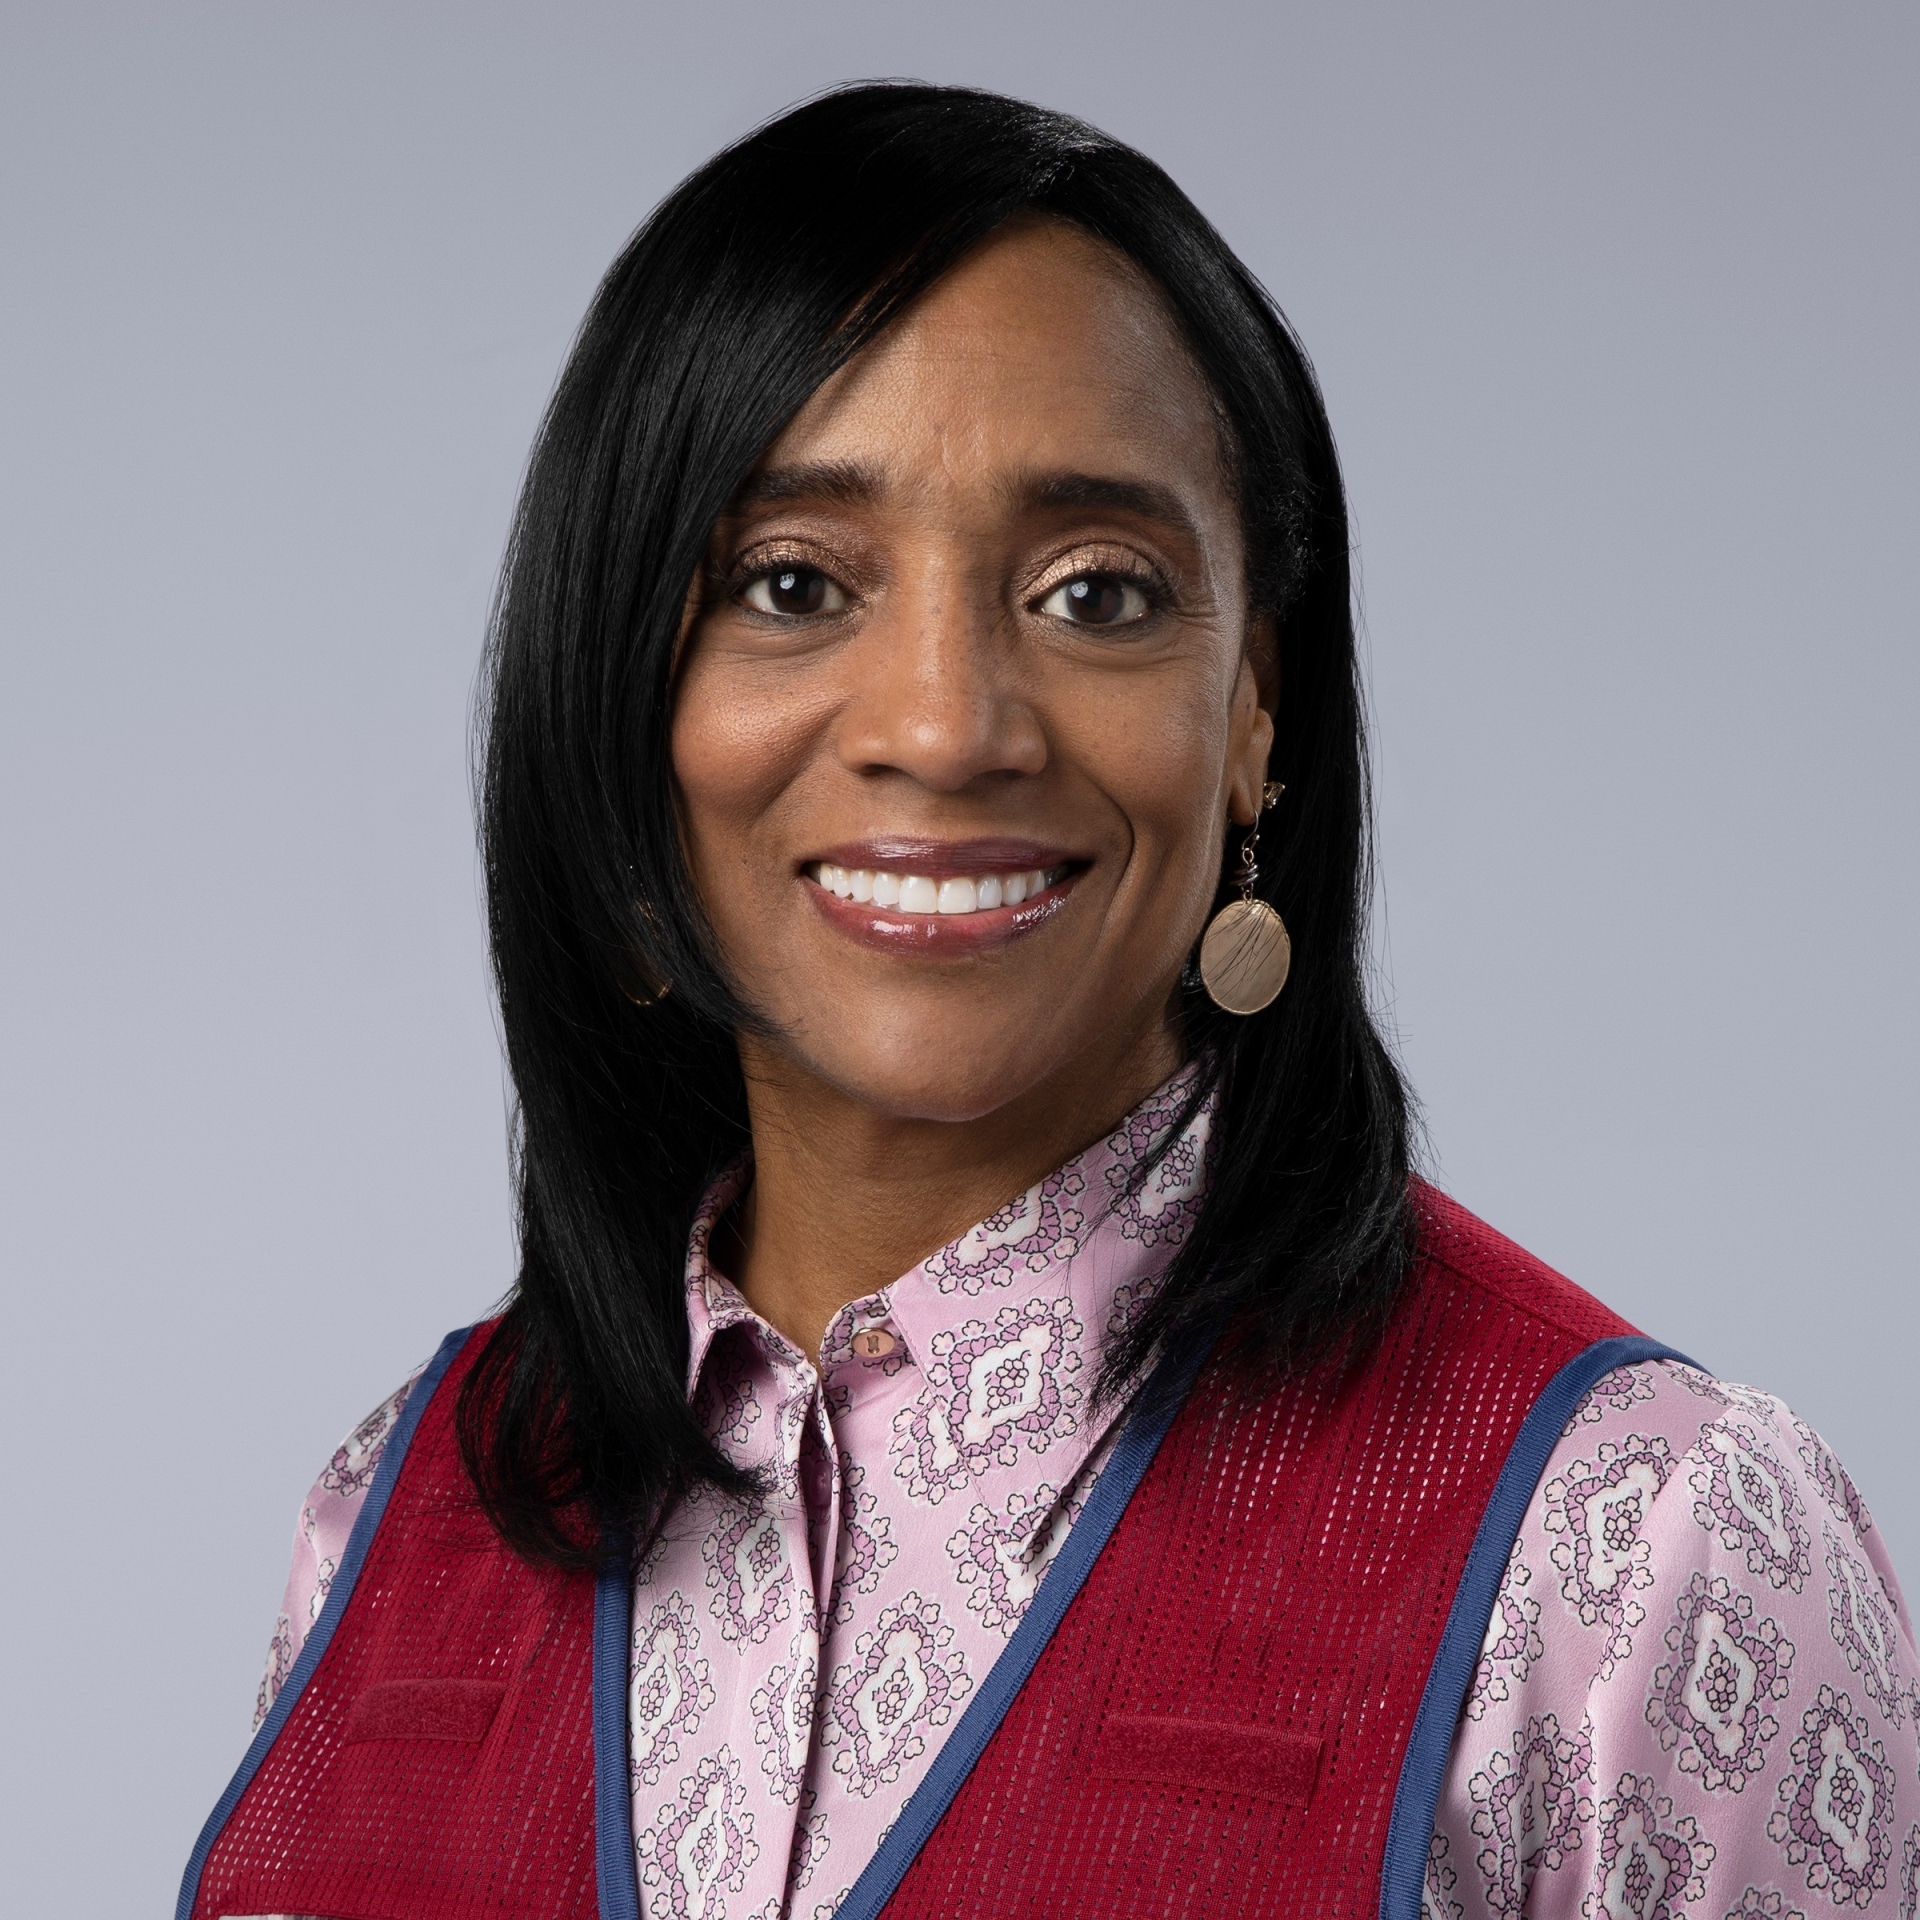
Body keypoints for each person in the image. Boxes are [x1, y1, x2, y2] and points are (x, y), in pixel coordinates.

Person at [178, 83, 1917, 1920]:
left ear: (1253, 716)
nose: (946, 727)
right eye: (792, 582)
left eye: (1097, 593)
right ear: (620, 707)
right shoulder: (392, 1523)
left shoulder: (1641, 1552)